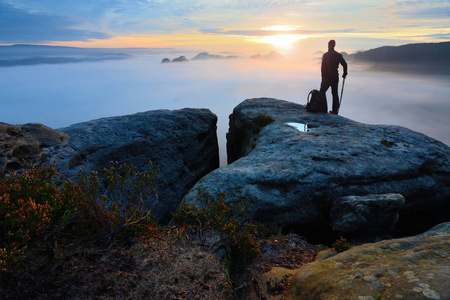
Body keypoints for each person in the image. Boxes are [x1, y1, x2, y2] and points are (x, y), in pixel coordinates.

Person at [320, 39, 348, 115]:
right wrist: (344, 74)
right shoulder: (338, 55)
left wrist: (323, 77)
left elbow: (323, 67)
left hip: (327, 77)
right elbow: (345, 64)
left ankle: (323, 109)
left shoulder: (325, 55)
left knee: (322, 92)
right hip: (335, 76)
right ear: (334, 45)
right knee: (335, 93)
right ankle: (335, 111)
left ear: (328, 45)